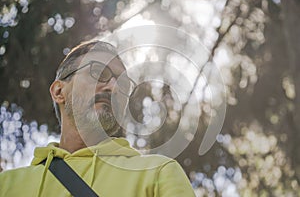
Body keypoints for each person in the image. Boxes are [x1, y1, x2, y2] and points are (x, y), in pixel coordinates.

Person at [0, 40, 195, 197]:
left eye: (123, 83)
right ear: (59, 91)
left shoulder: (158, 172)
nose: (113, 87)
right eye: (99, 73)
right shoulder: (6, 185)